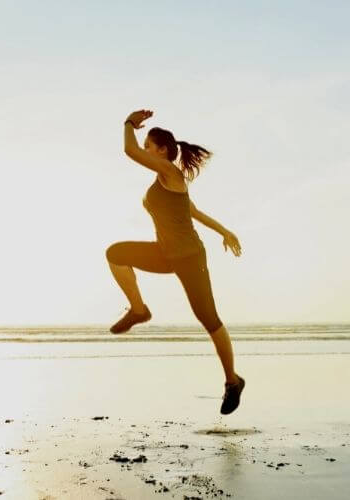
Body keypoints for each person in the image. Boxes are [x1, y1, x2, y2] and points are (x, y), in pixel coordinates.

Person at [105, 109, 245, 415]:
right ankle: (139, 310)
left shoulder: (171, 173)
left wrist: (128, 122)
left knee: (208, 318)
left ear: (163, 151)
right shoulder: (165, 180)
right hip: (165, 253)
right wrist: (224, 229)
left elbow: (128, 150)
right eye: (144, 147)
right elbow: (192, 211)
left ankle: (233, 382)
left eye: (148, 146)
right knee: (115, 254)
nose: (144, 151)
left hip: (190, 258)